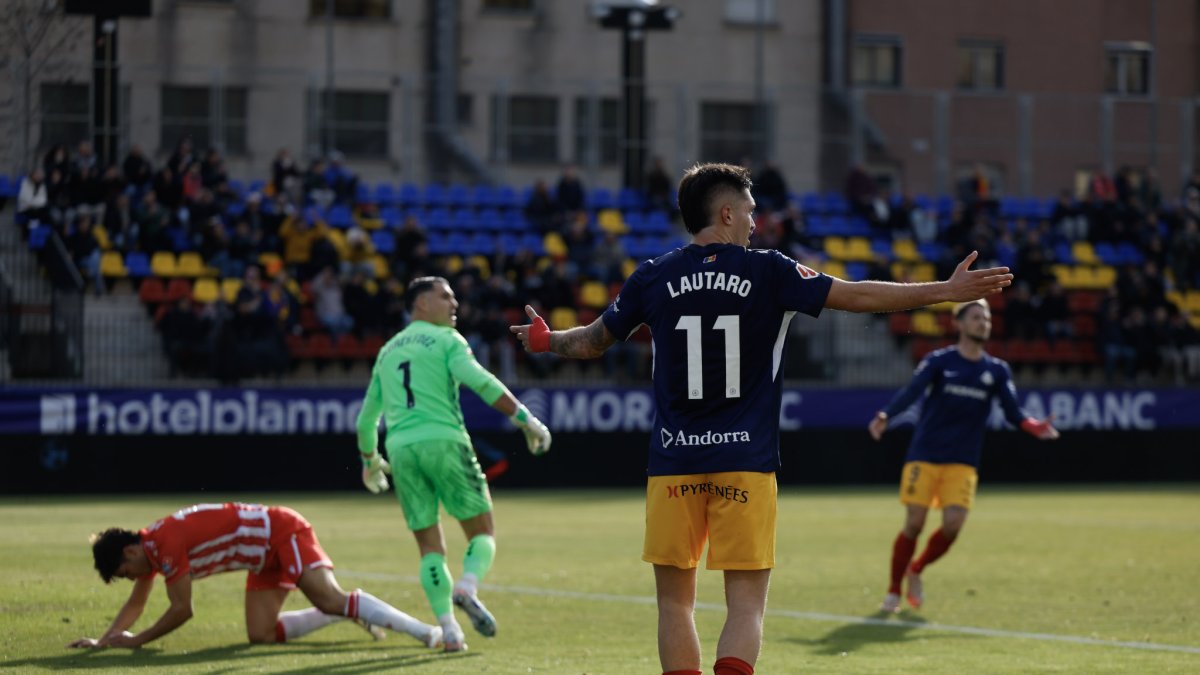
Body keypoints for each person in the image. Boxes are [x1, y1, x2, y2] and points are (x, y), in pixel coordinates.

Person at [508, 162, 1014, 675]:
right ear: (727, 213)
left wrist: (547, 341)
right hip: (745, 463)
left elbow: (592, 341)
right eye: (750, 211)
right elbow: (858, 295)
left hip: (674, 463)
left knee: (675, 604)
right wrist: (943, 290)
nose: (755, 222)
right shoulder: (770, 270)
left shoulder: (654, 275)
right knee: (745, 607)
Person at [356, 276, 552, 653]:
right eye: (445, 296)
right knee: (482, 531)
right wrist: (526, 420)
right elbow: (482, 382)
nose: (455, 303)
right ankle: (467, 587)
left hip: (400, 449)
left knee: (429, 546)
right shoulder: (447, 340)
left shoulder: (387, 351)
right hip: (444, 440)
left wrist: (369, 461)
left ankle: (449, 631)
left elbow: (366, 421)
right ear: (421, 304)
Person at [868, 298, 1059, 614]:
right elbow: (913, 391)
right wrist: (887, 414)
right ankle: (892, 591)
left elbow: (1012, 411)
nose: (983, 323)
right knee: (914, 523)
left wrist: (1034, 426)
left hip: (963, 460)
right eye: (976, 317)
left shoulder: (997, 370)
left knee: (953, 525)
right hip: (925, 454)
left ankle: (916, 568)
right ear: (958, 323)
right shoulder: (939, 361)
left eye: (986, 318)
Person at [67, 502, 443, 650]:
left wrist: (137, 641)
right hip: (262, 558)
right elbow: (137, 604)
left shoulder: (163, 545)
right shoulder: (151, 548)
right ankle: (341, 613)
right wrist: (105, 642)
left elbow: (182, 610)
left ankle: (426, 632)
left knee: (330, 597)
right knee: (261, 635)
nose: (132, 579)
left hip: (282, 531)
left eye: (126, 573)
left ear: (130, 552)